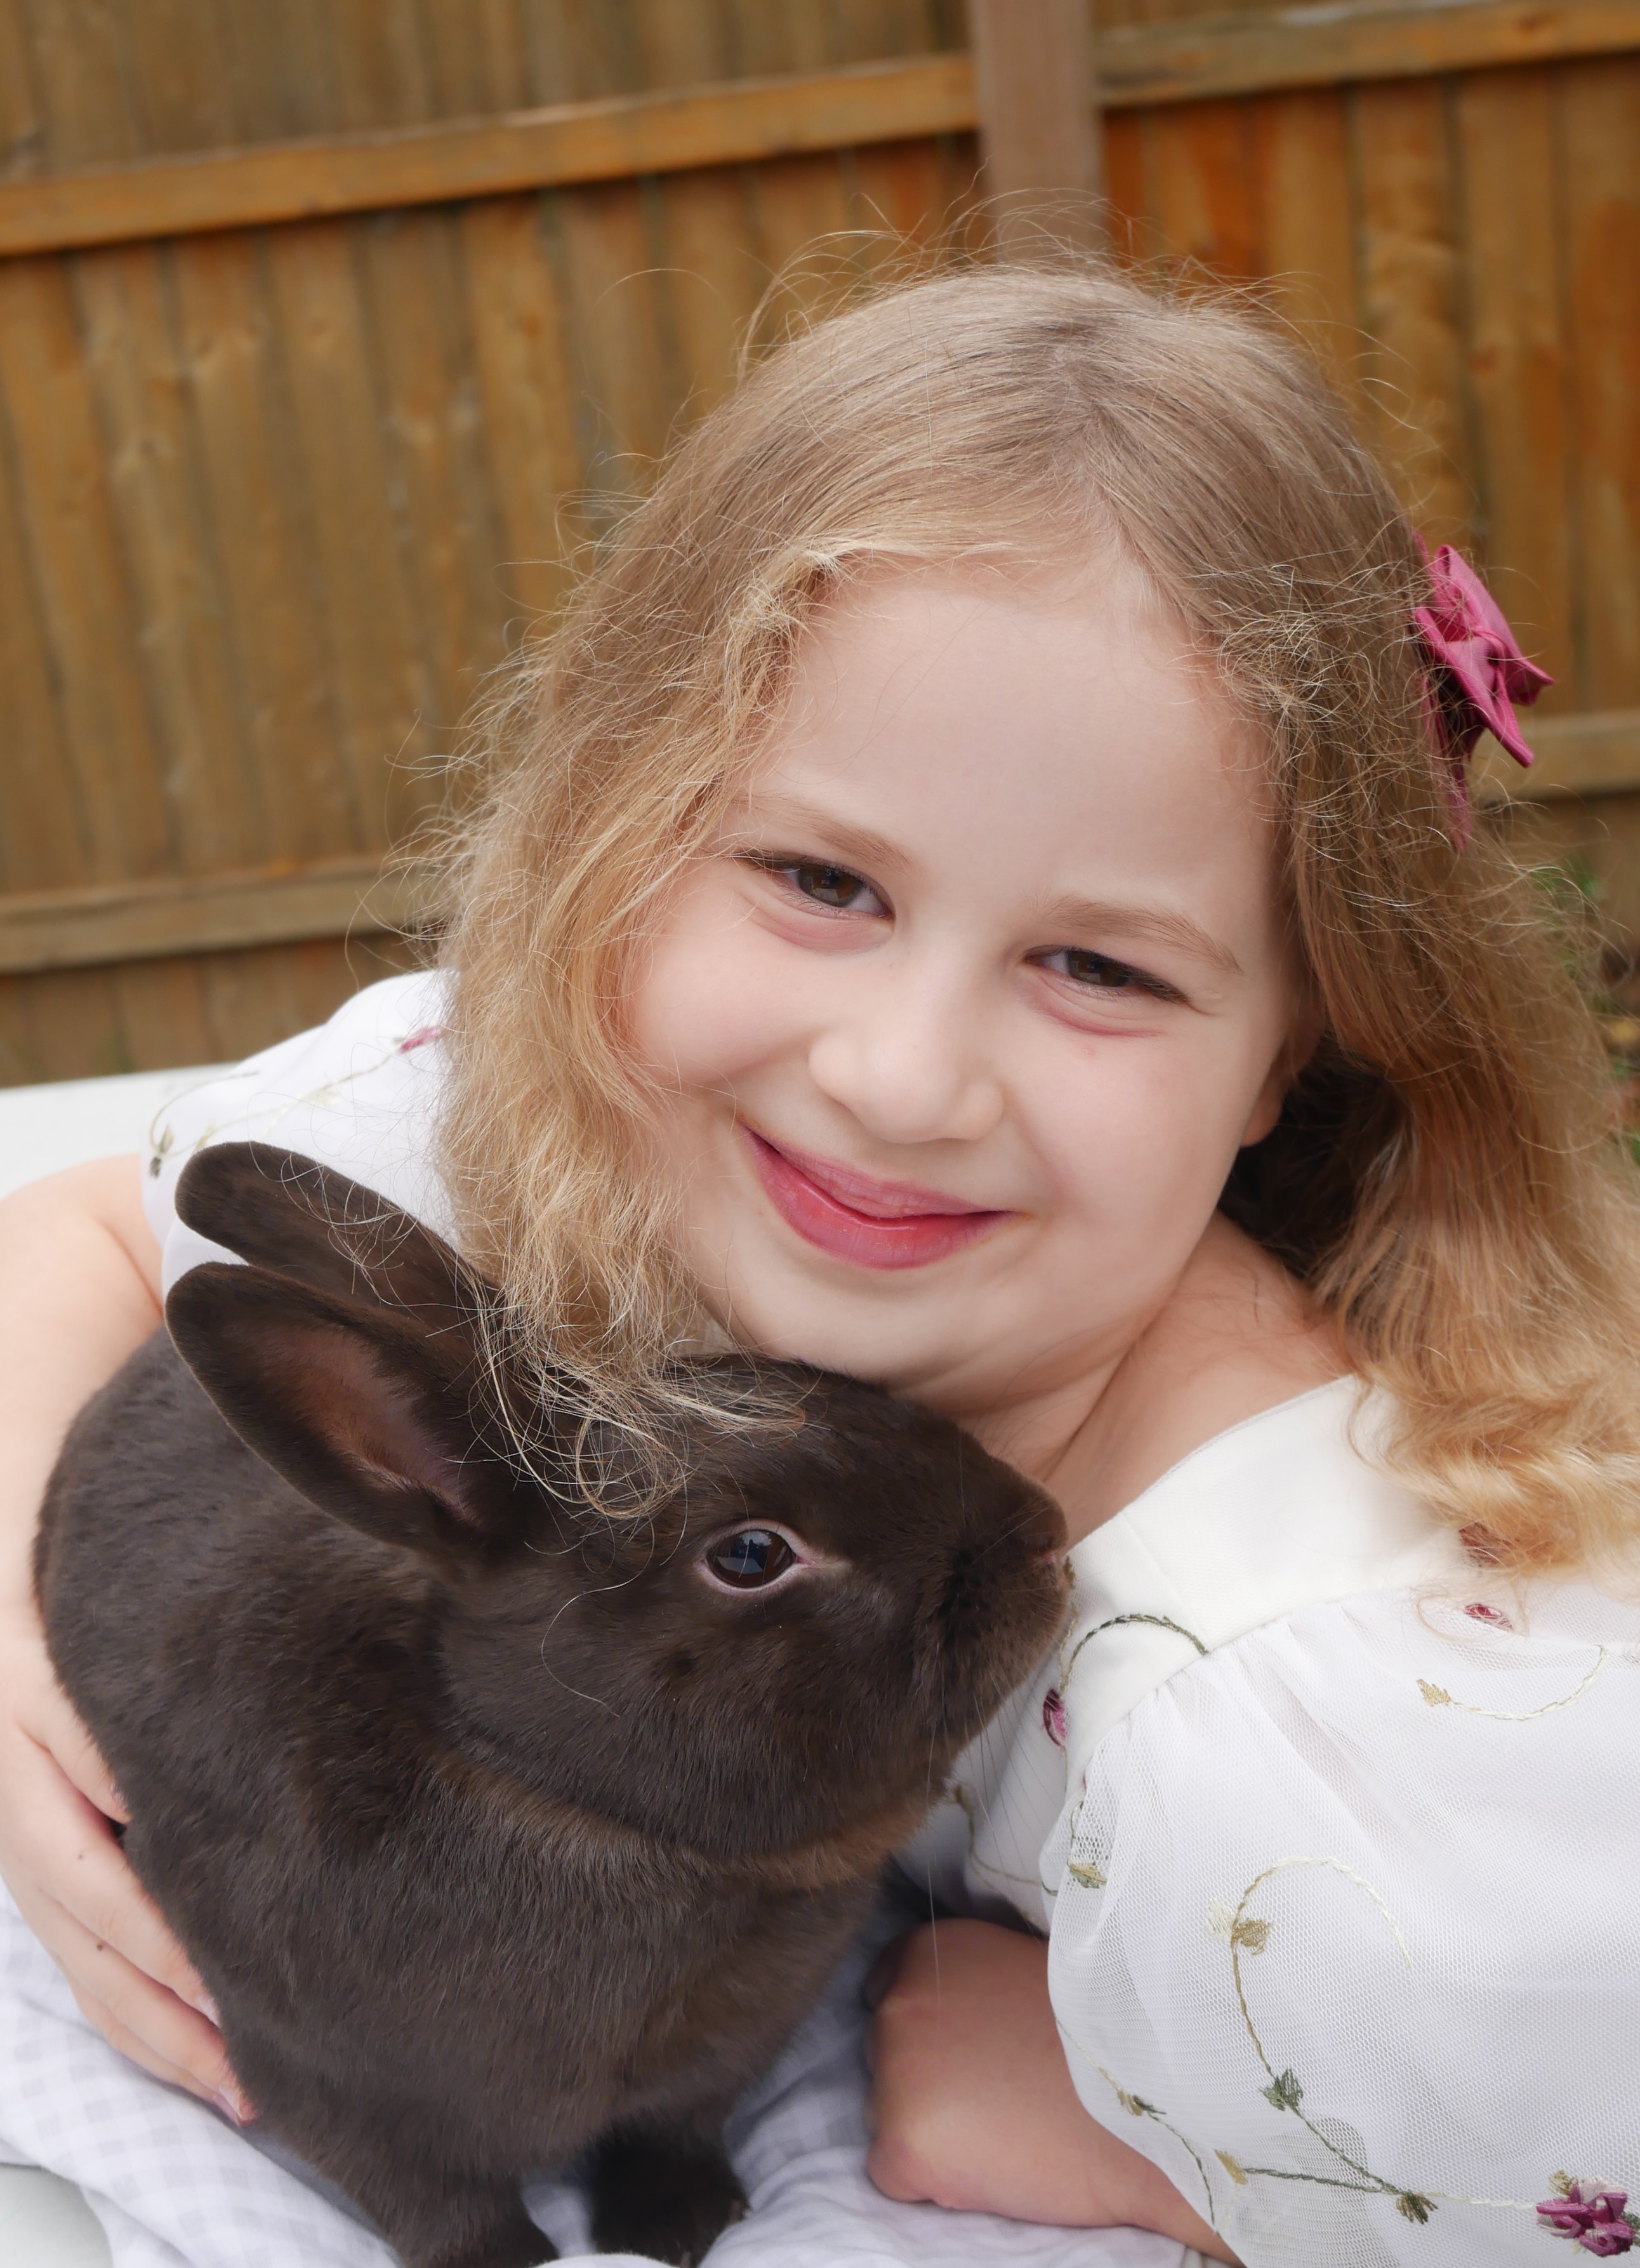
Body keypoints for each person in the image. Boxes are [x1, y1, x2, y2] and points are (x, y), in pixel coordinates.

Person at [1, 261, 1636, 2268]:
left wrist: (1167, 2155)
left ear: (1300, 1041)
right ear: (620, 833)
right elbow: (72, 1226)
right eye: (818, 880)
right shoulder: (577, 1158)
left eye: (1100, 966)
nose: (899, 1076)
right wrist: (20, 1661)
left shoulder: (1298, 1745)